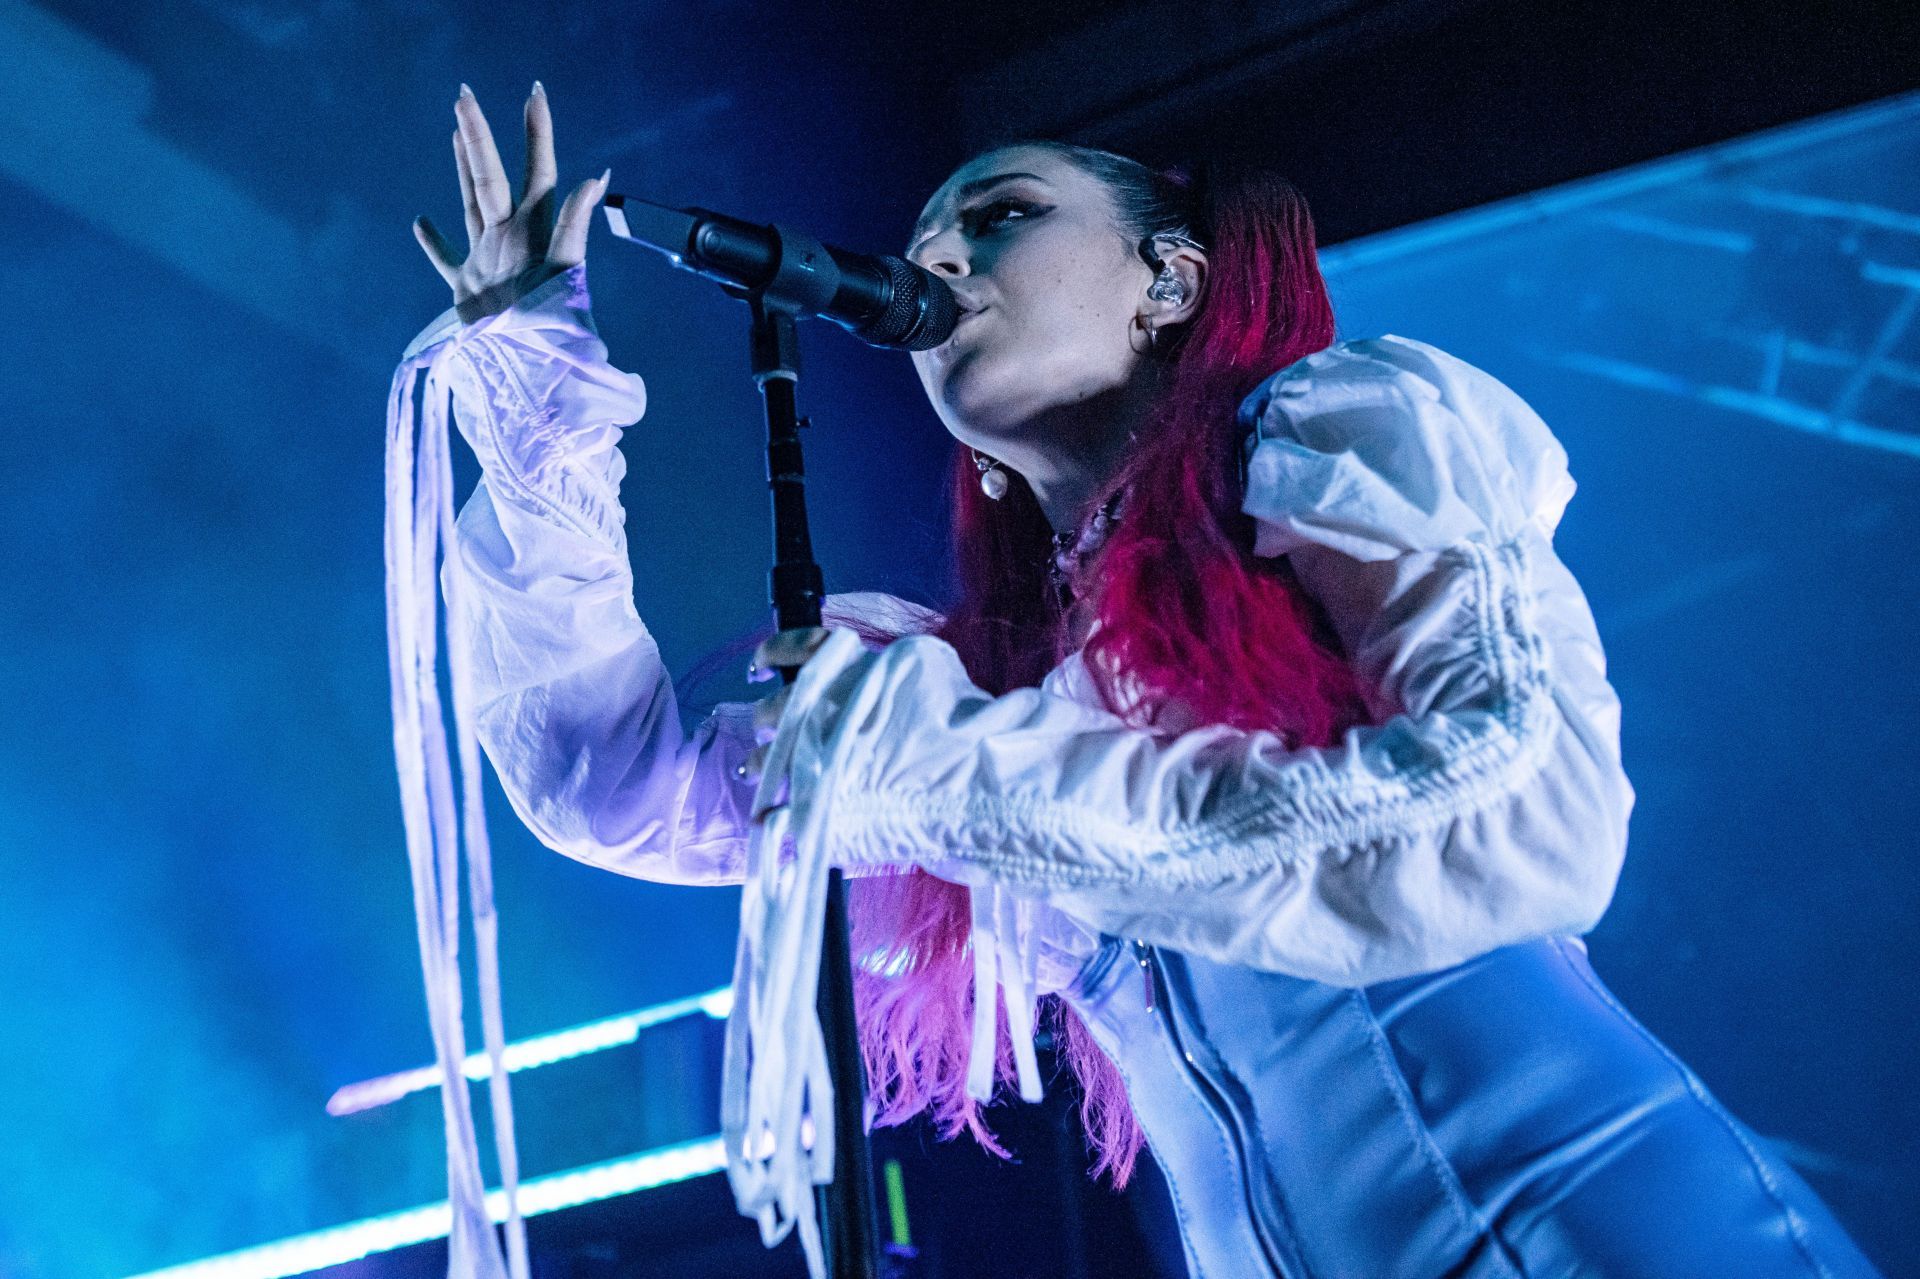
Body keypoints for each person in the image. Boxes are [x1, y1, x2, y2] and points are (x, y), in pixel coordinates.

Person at [395, 83, 1885, 1278]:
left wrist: (953, 768)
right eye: (921, 250)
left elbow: (1520, 807)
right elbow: (609, 783)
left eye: (1002, 216)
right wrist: (536, 406)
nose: (938, 266)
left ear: (1171, 282)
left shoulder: (1342, 428)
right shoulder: (974, 690)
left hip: (1605, 1230)